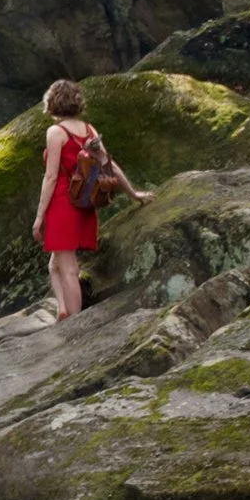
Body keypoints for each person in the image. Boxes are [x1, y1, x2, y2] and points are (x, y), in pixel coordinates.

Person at [31, 77, 146, 320]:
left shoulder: (55, 132)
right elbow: (109, 165)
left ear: (51, 103)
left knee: (70, 269)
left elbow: (51, 177)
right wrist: (133, 193)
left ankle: (74, 323)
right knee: (56, 264)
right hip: (84, 203)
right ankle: (62, 309)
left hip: (63, 202)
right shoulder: (90, 130)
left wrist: (40, 216)